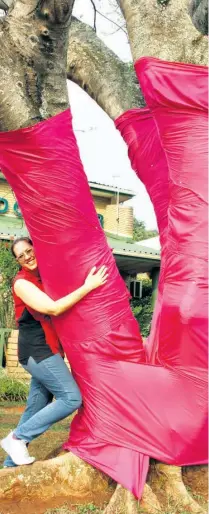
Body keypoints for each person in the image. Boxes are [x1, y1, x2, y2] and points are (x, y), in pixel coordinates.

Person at [1, 237, 108, 467]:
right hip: (37, 351)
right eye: (21, 255)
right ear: (17, 261)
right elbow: (54, 308)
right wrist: (89, 286)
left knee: (35, 407)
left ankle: (9, 468)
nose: (27, 256)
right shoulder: (21, 282)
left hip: (48, 350)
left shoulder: (45, 276)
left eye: (29, 250)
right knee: (71, 398)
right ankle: (17, 437)